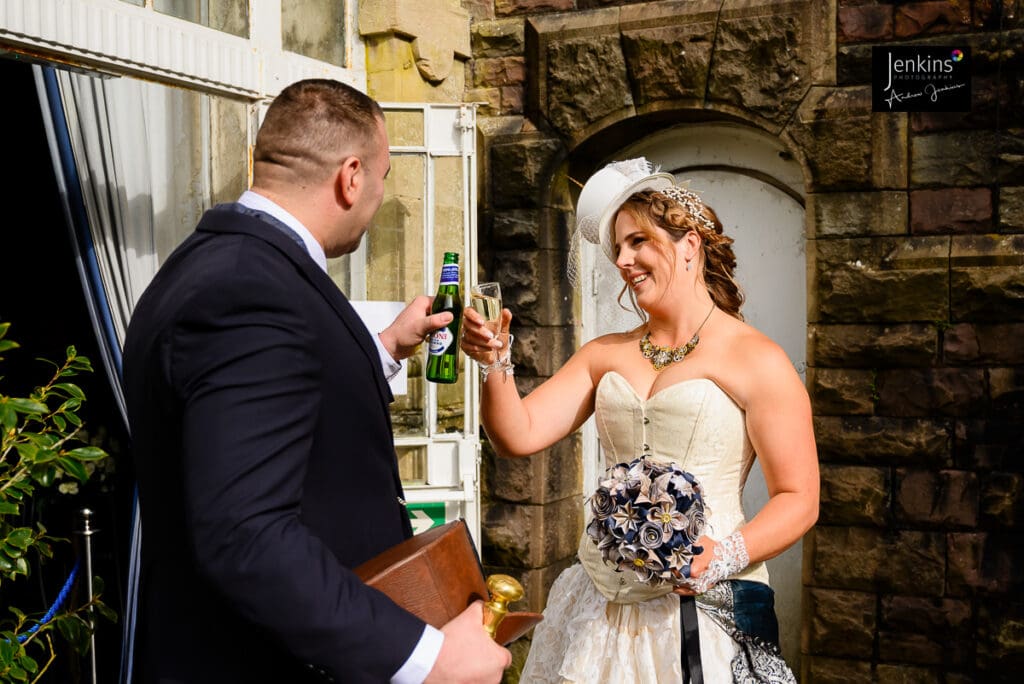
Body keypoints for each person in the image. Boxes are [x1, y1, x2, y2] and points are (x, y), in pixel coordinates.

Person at [122, 79, 511, 683]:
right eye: (382, 179)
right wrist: (426, 659)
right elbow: (246, 535)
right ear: (351, 176)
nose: (378, 197)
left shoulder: (211, 265)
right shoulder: (250, 291)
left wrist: (381, 350)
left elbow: (279, 409)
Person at [460, 158, 819, 682]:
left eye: (638, 242)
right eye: (617, 250)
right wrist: (495, 362)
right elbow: (518, 434)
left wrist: (719, 556)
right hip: (599, 604)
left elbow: (799, 496)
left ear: (690, 244)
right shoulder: (604, 353)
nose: (623, 261)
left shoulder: (757, 358)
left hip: (703, 606)